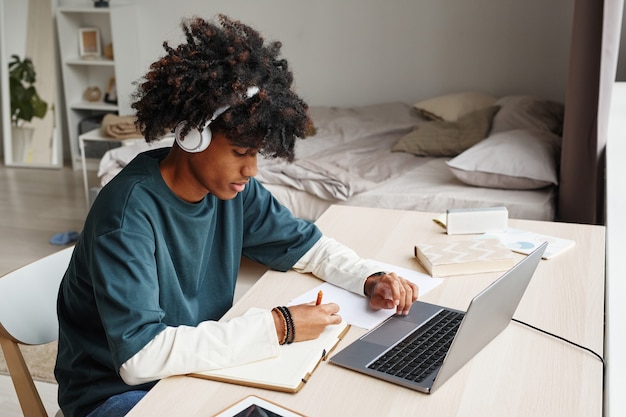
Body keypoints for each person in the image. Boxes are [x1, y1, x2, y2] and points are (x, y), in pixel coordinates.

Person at [55, 15, 418, 417]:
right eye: (241, 152)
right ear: (193, 133)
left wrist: (369, 277)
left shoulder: (234, 193)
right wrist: (279, 327)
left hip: (192, 373)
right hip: (115, 396)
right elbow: (140, 357)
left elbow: (307, 247)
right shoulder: (127, 214)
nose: (252, 170)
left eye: (257, 153)